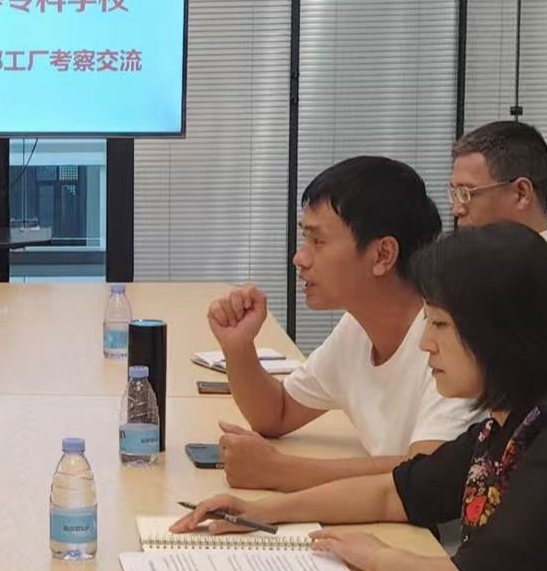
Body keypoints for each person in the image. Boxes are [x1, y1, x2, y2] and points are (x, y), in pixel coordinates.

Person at [174, 224, 547, 571]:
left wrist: (378, 555)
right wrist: (261, 512)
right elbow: (396, 492)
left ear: (501, 334)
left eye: (441, 325)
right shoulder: (507, 421)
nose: (426, 344)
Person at [206, 156, 481, 492]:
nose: (300, 258)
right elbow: (276, 413)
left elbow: (428, 473)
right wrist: (238, 348)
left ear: (383, 255)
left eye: (317, 241)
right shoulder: (356, 328)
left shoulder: (452, 338)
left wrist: (281, 471)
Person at [450, 120, 547, 309]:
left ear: (521, 194)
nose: (457, 209)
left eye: (467, 193)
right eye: (455, 194)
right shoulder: (475, 265)